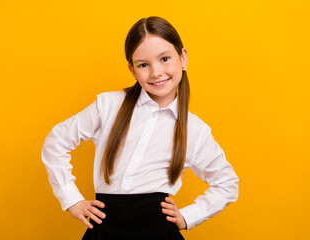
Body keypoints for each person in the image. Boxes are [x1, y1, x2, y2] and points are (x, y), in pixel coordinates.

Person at [41, 16, 239, 240]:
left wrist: (188, 216)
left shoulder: (195, 130)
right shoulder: (108, 106)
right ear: (133, 70)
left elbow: (227, 183)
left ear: (183, 58)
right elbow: (56, 142)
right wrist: (72, 200)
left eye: (165, 58)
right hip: (104, 231)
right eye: (144, 64)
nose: (156, 72)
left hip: (158, 233)